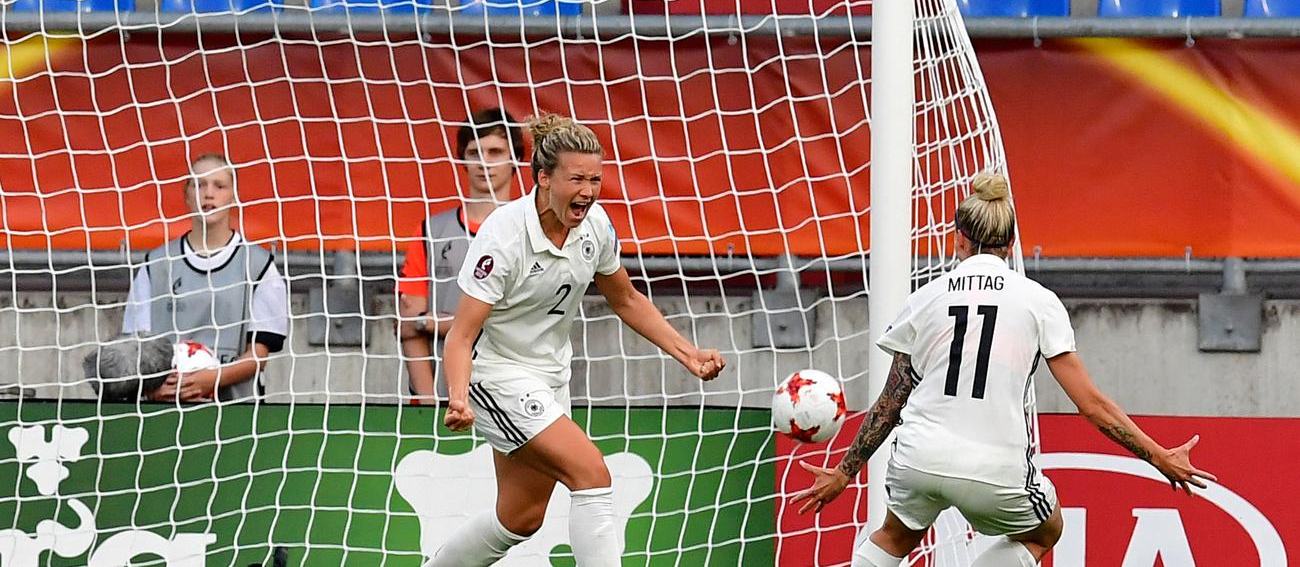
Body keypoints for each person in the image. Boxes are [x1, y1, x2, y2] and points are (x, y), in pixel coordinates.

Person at [792, 172, 1216, 567]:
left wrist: (844, 472)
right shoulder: (1038, 301)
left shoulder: (925, 298)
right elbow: (1091, 405)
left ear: (958, 239)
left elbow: (891, 399)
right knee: (1047, 530)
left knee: (894, 537)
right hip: (994, 468)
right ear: (1011, 244)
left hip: (919, 455)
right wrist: (1158, 455)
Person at [428, 113, 727, 566]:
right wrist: (457, 397)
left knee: (519, 518)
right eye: (577, 179)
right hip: (497, 376)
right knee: (592, 474)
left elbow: (625, 298)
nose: (588, 191)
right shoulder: (504, 235)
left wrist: (688, 353)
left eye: (595, 179)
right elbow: (462, 333)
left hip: (550, 378)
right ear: (544, 178)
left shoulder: (595, 227)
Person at [121, 153, 289, 403]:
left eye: (219, 186)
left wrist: (212, 378)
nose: (208, 194)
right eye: (199, 184)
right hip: (164, 412)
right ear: (186, 195)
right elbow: (133, 350)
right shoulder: (156, 265)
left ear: (233, 196)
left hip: (237, 416)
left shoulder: (259, 266)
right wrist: (150, 389)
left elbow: (258, 355)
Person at [396, 108, 524, 404]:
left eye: (495, 152)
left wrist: (429, 322)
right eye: (474, 152)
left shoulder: (532, 230)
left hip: (514, 394)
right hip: (442, 397)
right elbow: (408, 327)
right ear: (462, 159)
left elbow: (511, 323)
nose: (484, 162)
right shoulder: (431, 231)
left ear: (516, 159)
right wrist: (427, 400)